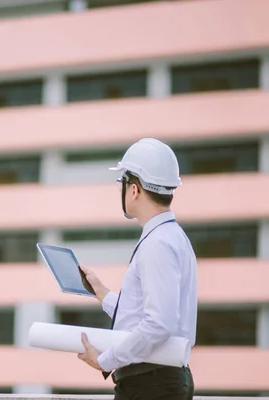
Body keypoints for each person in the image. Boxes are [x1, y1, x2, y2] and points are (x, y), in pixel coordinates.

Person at [77, 138, 197, 400]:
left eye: (122, 182)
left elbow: (158, 324)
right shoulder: (172, 237)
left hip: (149, 385)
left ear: (134, 190)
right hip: (158, 381)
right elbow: (147, 313)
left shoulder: (157, 244)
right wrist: (103, 293)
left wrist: (106, 360)